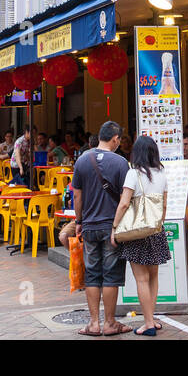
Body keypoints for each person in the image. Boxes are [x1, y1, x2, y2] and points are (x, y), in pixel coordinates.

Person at [71, 120, 130, 336]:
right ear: (115, 139)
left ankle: (94, 323)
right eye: (118, 140)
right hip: (112, 227)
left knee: (93, 275)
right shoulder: (121, 162)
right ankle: (110, 323)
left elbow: (77, 195)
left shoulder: (82, 160)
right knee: (111, 274)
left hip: (89, 226)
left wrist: (79, 221)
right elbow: (126, 198)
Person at [111, 135, 169, 336]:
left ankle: (148, 324)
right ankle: (151, 319)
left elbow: (124, 203)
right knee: (153, 277)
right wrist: (158, 225)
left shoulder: (133, 174)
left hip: (136, 231)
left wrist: (115, 227)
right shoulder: (162, 173)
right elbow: (164, 204)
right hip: (155, 230)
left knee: (141, 279)